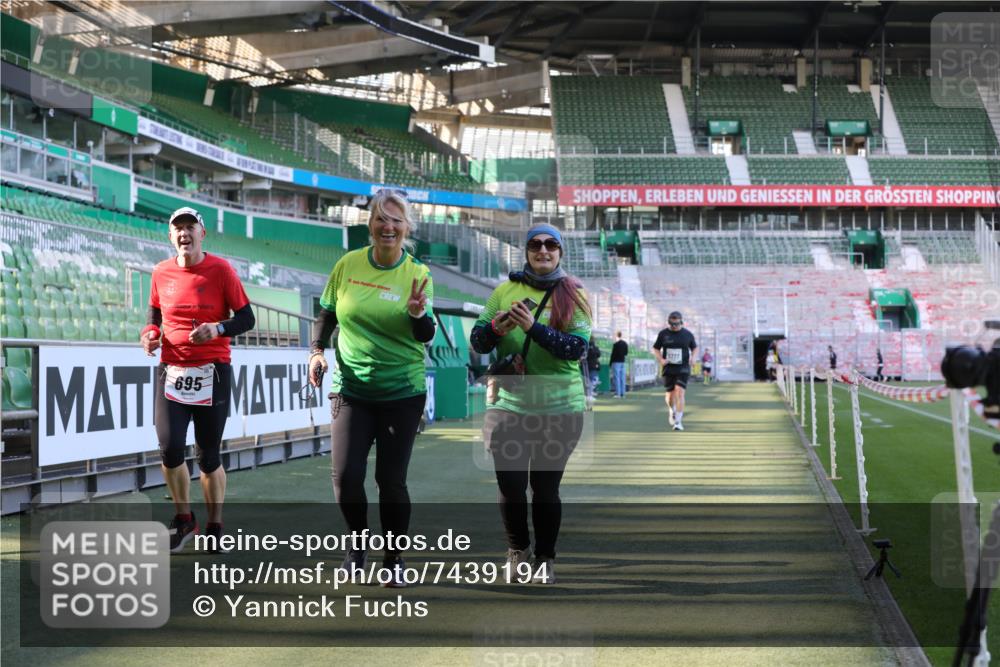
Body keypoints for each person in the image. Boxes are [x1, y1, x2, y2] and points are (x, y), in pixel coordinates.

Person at [307, 189, 435, 588]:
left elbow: (426, 333)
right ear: (370, 225)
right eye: (382, 219)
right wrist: (316, 351)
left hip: (401, 390)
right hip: (351, 389)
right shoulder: (346, 265)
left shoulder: (418, 273)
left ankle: (393, 560)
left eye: (397, 221)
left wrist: (417, 314)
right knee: (345, 476)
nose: (388, 227)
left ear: (407, 229)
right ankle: (356, 549)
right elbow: (326, 314)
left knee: (390, 480)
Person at [470, 224, 591, 585]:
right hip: (509, 402)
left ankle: (545, 558)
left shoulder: (575, 294)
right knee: (509, 483)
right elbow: (479, 341)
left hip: (560, 408)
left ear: (560, 252)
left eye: (551, 245)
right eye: (535, 244)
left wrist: (533, 327)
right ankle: (517, 549)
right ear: (525, 251)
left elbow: (577, 349)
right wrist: (498, 327)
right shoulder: (504, 291)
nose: (543, 250)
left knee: (544, 488)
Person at [142, 207, 255, 553]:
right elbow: (155, 313)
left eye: (190, 227)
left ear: (202, 233)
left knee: (208, 456)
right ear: (170, 236)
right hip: (171, 371)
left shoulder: (221, 270)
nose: (183, 234)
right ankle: (184, 519)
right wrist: (150, 333)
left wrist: (218, 328)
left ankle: (215, 524)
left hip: (213, 372)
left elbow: (247, 318)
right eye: (178, 229)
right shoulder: (161, 272)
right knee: (170, 448)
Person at [652, 311, 697, 431]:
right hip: (668, 368)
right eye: (671, 324)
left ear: (681, 322)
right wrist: (661, 359)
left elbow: (695, 347)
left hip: (682, 368)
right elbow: (656, 348)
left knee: (680, 392)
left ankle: (678, 422)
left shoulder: (687, 334)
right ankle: (672, 409)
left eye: (676, 324)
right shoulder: (663, 334)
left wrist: (693, 358)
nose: (674, 326)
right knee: (670, 396)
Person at [610, 331, 629, 397]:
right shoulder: (625, 344)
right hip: (622, 362)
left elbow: (613, 355)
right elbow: (626, 353)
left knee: (617, 378)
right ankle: (623, 393)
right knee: (622, 378)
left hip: (616, 362)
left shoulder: (616, 344)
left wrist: (610, 363)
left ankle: (618, 393)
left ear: (616, 336)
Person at [586, 335, 601, 407]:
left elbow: (598, 354)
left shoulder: (587, 347)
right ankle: (590, 394)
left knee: (590, 380)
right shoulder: (593, 347)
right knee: (593, 379)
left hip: (588, 365)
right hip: (592, 365)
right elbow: (598, 354)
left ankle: (590, 394)